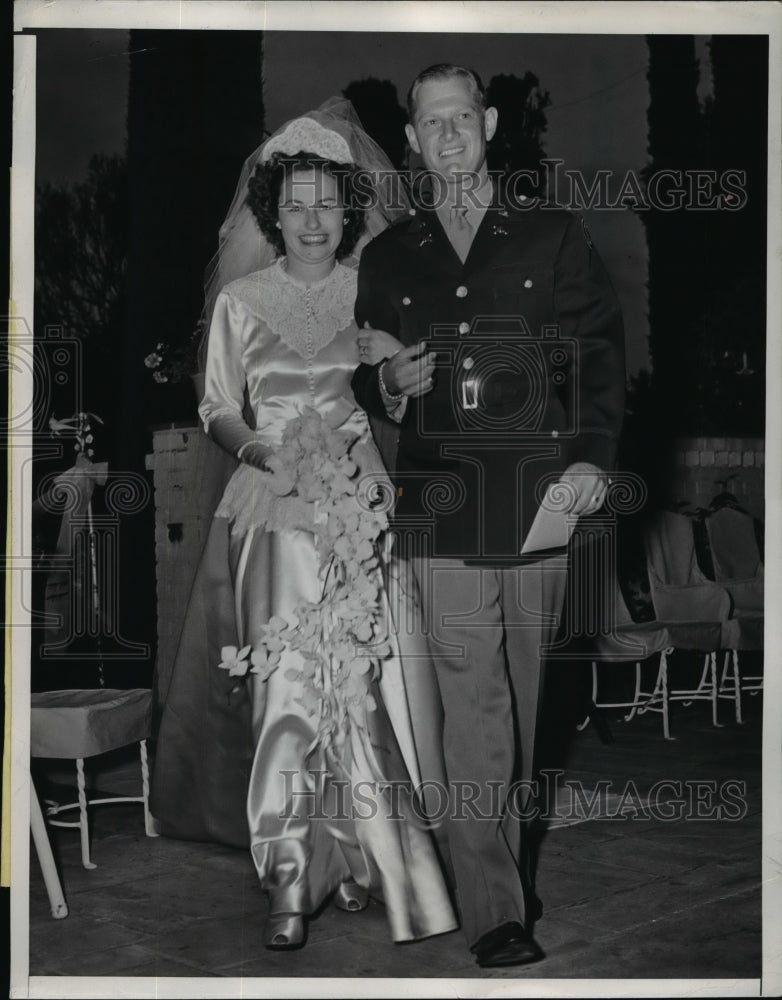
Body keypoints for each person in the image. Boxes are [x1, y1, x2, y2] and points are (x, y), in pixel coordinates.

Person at [151, 101, 457, 951]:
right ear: (271, 213)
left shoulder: (371, 289)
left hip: (359, 506)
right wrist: (258, 452)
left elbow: (394, 389)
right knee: (288, 691)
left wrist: (394, 384)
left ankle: (361, 858)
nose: (314, 218)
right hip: (274, 501)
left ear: (347, 209)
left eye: (328, 202)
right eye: (297, 204)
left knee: (357, 689)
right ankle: (289, 873)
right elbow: (215, 402)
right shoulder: (242, 302)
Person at [351, 64, 626, 967]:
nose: (448, 134)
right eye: (431, 124)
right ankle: (496, 911)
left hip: (540, 501)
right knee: (474, 715)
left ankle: (497, 868)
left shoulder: (551, 232)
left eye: (461, 116)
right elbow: (364, 367)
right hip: (442, 503)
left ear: (490, 122)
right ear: (415, 144)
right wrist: (384, 381)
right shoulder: (390, 255)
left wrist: (592, 455)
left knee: (526, 711)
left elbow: (597, 352)